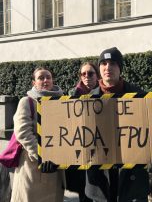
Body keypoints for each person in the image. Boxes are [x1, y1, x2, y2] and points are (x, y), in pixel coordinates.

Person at [85, 47, 152, 201]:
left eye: (113, 63)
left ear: (120, 68)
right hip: (99, 180)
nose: (108, 67)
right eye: (104, 63)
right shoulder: (85, 101)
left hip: (132, 178)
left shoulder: (141, 97)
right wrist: (53, 158)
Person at [11, 67, 65, 202]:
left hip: (55, 168)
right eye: (41, 78)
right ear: (34, 82)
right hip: (32, 167)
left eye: (48, 77)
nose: (45, 80)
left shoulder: (63, 102)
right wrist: (42, 156)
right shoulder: (27, 101)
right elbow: (23, 133)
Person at [66, 62, 100, 202]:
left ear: (97, 75)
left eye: (91, 73)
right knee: (83, 189)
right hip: (79, 150)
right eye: (83, 74)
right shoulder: (71, 94)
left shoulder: (106, 93)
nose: (87, 76)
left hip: (100, 149)